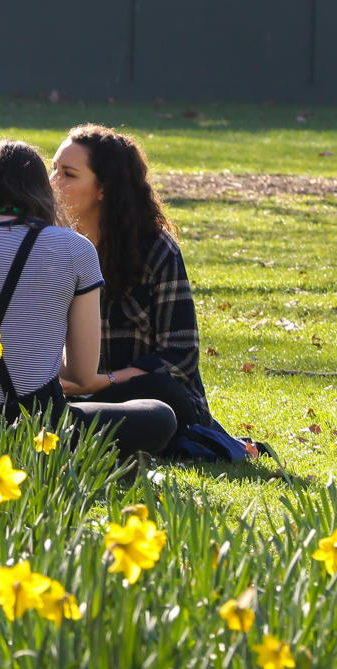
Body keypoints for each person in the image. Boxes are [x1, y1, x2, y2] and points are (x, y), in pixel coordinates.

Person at [0, 140, 176, 458]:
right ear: (42, 192)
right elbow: (80, 372)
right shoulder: (75, 249)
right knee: (159, 415)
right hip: (41, 425)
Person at [50, 124, 212, 438]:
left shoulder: (154, 248)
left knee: (158, 393)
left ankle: (74, 424)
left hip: (148, 395)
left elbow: (180, 356)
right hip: (78, 392)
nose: (52, 182)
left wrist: (104, 381)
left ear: (103, 189)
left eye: (68, 174)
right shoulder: (53, 246)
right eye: (53, 169)